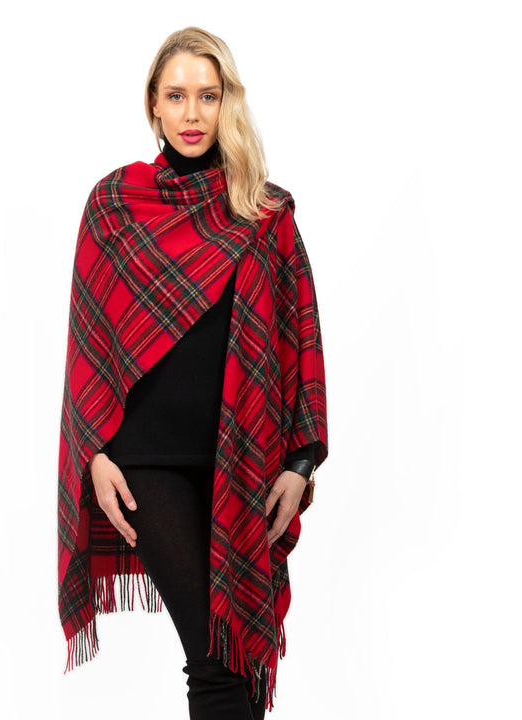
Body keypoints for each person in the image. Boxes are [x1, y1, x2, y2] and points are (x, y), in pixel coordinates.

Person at [57, 26, 329, 720]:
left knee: (240, 662)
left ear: (227, 102)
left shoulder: (264, 212)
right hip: (147, 466)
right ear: (153, 103)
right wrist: (94, 454)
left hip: (243, 459)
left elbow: (302, 338)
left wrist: (300, 462)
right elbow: (88, 343)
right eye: (176, 95)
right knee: (216, 661)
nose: (191, 113)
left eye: (208, 96)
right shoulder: (115, 204)